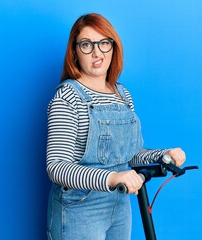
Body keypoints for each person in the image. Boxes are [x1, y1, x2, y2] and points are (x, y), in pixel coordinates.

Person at [46, 13, 186, 240]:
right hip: (80, 209)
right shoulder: (67, 98)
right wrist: (112, 179)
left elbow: (130, 155)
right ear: (74, 52)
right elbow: (57, 167)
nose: (96, 52)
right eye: (86, 44)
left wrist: (164, 155)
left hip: (120, 205)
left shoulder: (121, 94)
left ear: (113, 47)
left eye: (103, 43)